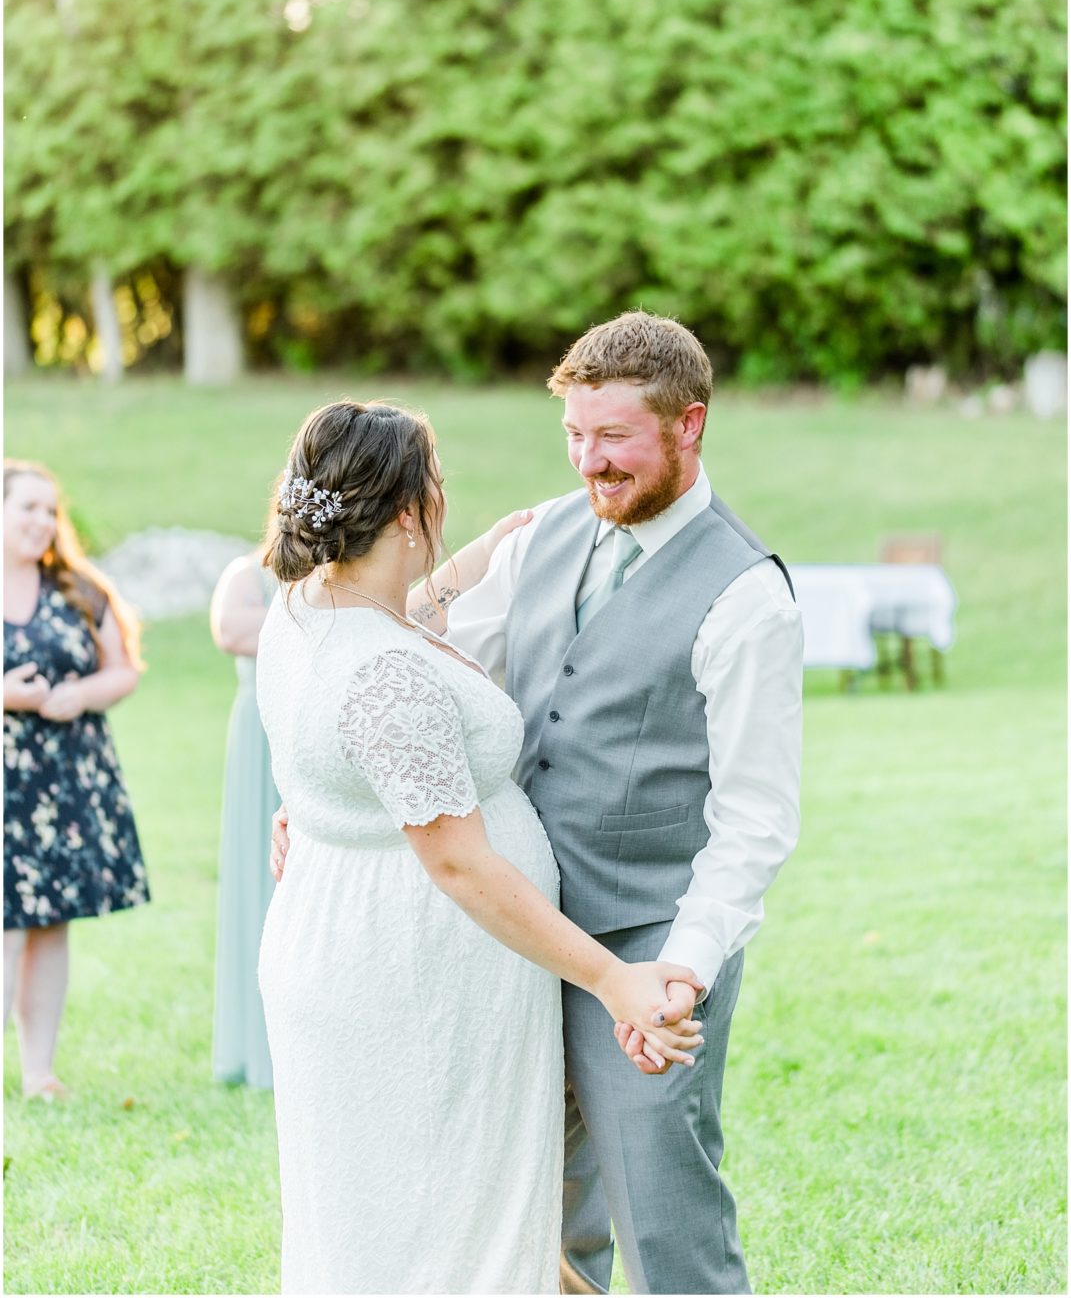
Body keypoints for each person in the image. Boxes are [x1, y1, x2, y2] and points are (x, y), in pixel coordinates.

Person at [272, 310, 804, 1295]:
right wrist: (334, 793)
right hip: (499, 945)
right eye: (573, 436)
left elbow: (758, 818)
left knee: (665, 1221)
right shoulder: (543, 536)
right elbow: (425, 676)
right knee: (527, 1216)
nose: (588, 464)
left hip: (644, 948)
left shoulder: (746, 597)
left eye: (614, 440)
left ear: (689, 426)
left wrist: (678, 971)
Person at [3, 459, 149, 1100]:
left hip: (63, 779)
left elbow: (124, 667)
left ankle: (39, 1071)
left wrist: (80, 695)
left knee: (50, 922)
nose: (41, 520)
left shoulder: (79, 589)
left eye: (48, 509)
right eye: (26, 507)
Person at [209, 549, 279, 1089]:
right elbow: (231, 631)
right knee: (257, 880)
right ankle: (253, 1047)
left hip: (316, 731)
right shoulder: (247, 572)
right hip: (260, 737)